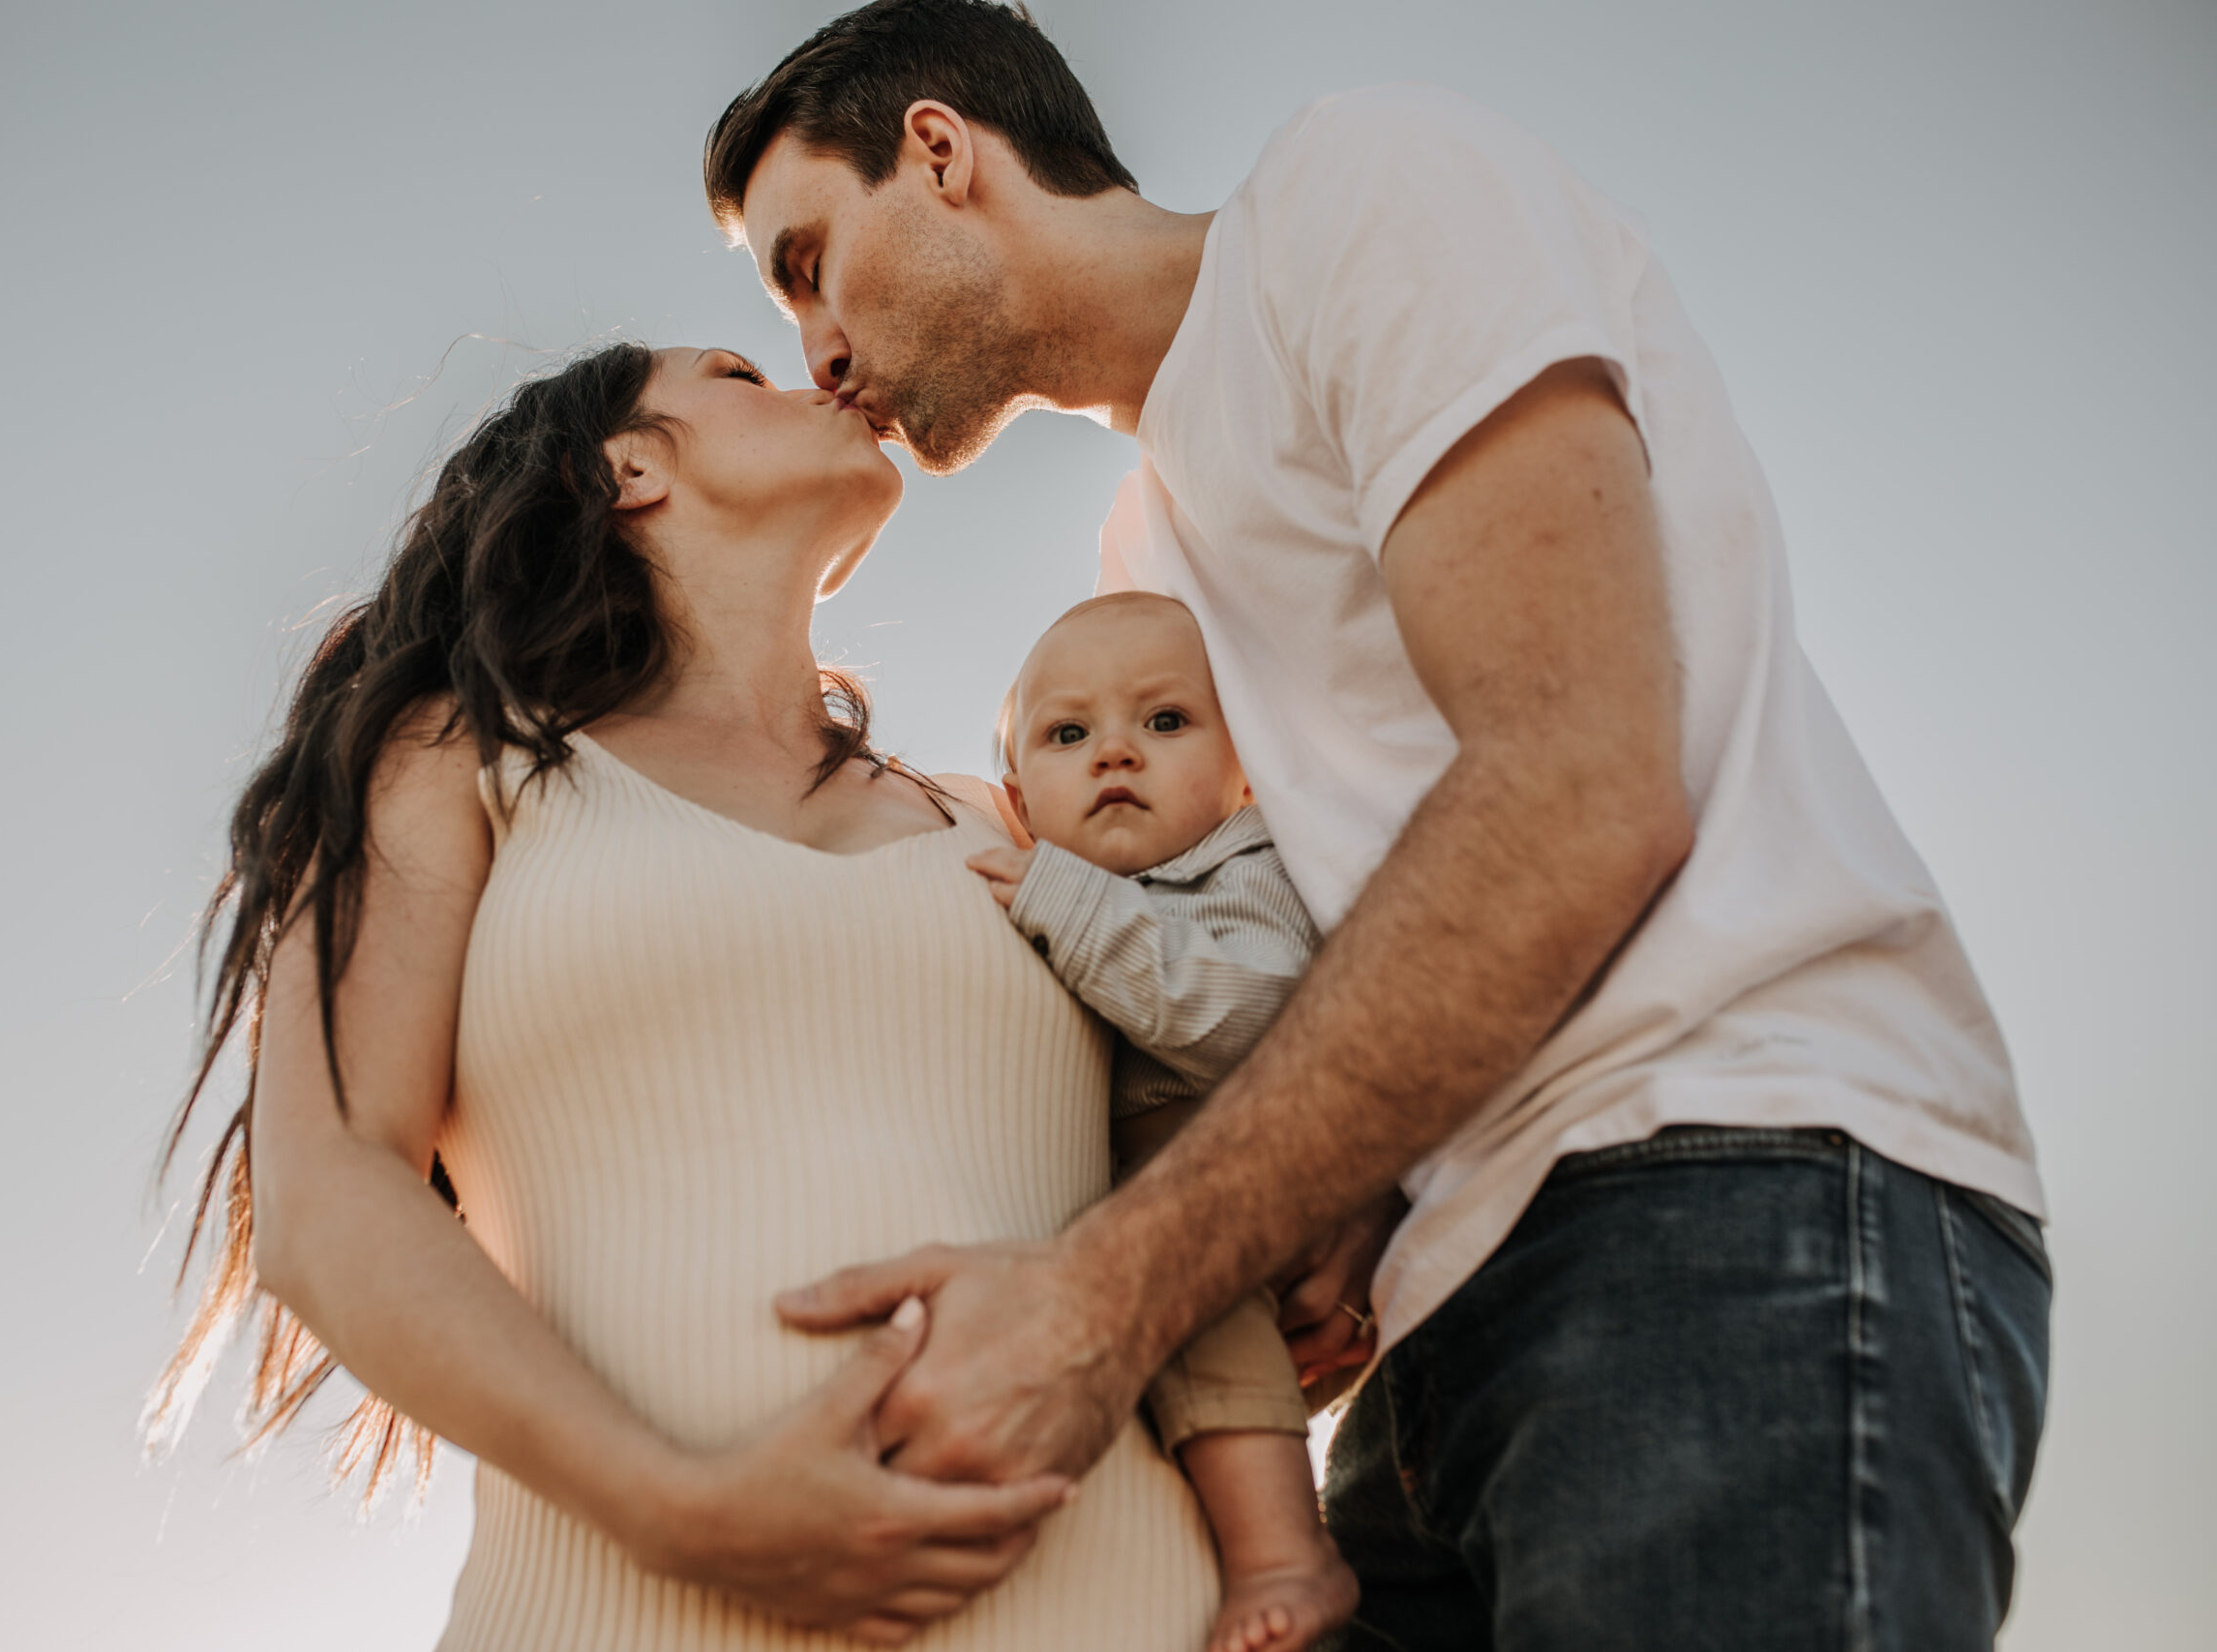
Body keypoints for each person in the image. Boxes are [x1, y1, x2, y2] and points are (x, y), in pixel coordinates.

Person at [703, 4, 2052, 1647]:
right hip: (1441, 1326)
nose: (816, 350)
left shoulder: (1361, 198)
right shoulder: (1146, 554)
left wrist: (1113, 1295)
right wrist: (1334, 1197)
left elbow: (1574, 786)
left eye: (808, 264)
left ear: (940, 152)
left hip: (1726, 1184)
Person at [145, 340, 1224, 1650]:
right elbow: (327, 1192)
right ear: (630, 466)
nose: (820, 372)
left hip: (1122, 1607)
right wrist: (683, 1507)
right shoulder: (458, 762)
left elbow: (1232, 1063)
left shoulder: (1022, 816)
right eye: (735, 371)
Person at [968, 590, 1357, 1652]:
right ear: (1015, 801)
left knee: (1192, 1305)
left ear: (1243, 771)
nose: (1115, 755)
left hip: (1235, 1192)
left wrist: (1079, 908)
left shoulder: (1250, 869)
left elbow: (1255, 1018)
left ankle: (1287, 1556)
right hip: (1123, 1209)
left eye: (1166, 722)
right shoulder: (1037, 896)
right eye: (1067, 734)